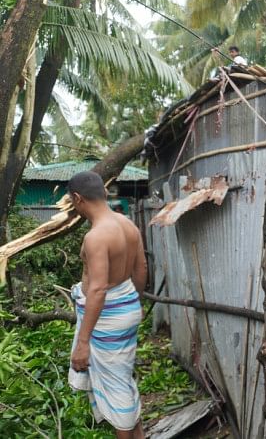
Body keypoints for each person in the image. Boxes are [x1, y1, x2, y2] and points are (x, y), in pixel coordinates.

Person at [66, 171, 147, 439]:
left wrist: (83, 342)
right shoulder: (127, 224)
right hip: (126, 306)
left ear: (78, 198)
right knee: (122, 380)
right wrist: (133, 304)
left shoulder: (96, 236)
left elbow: (98, 289)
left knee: (117, 388)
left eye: (72, 202)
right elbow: (141, 268)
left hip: (108, 317)